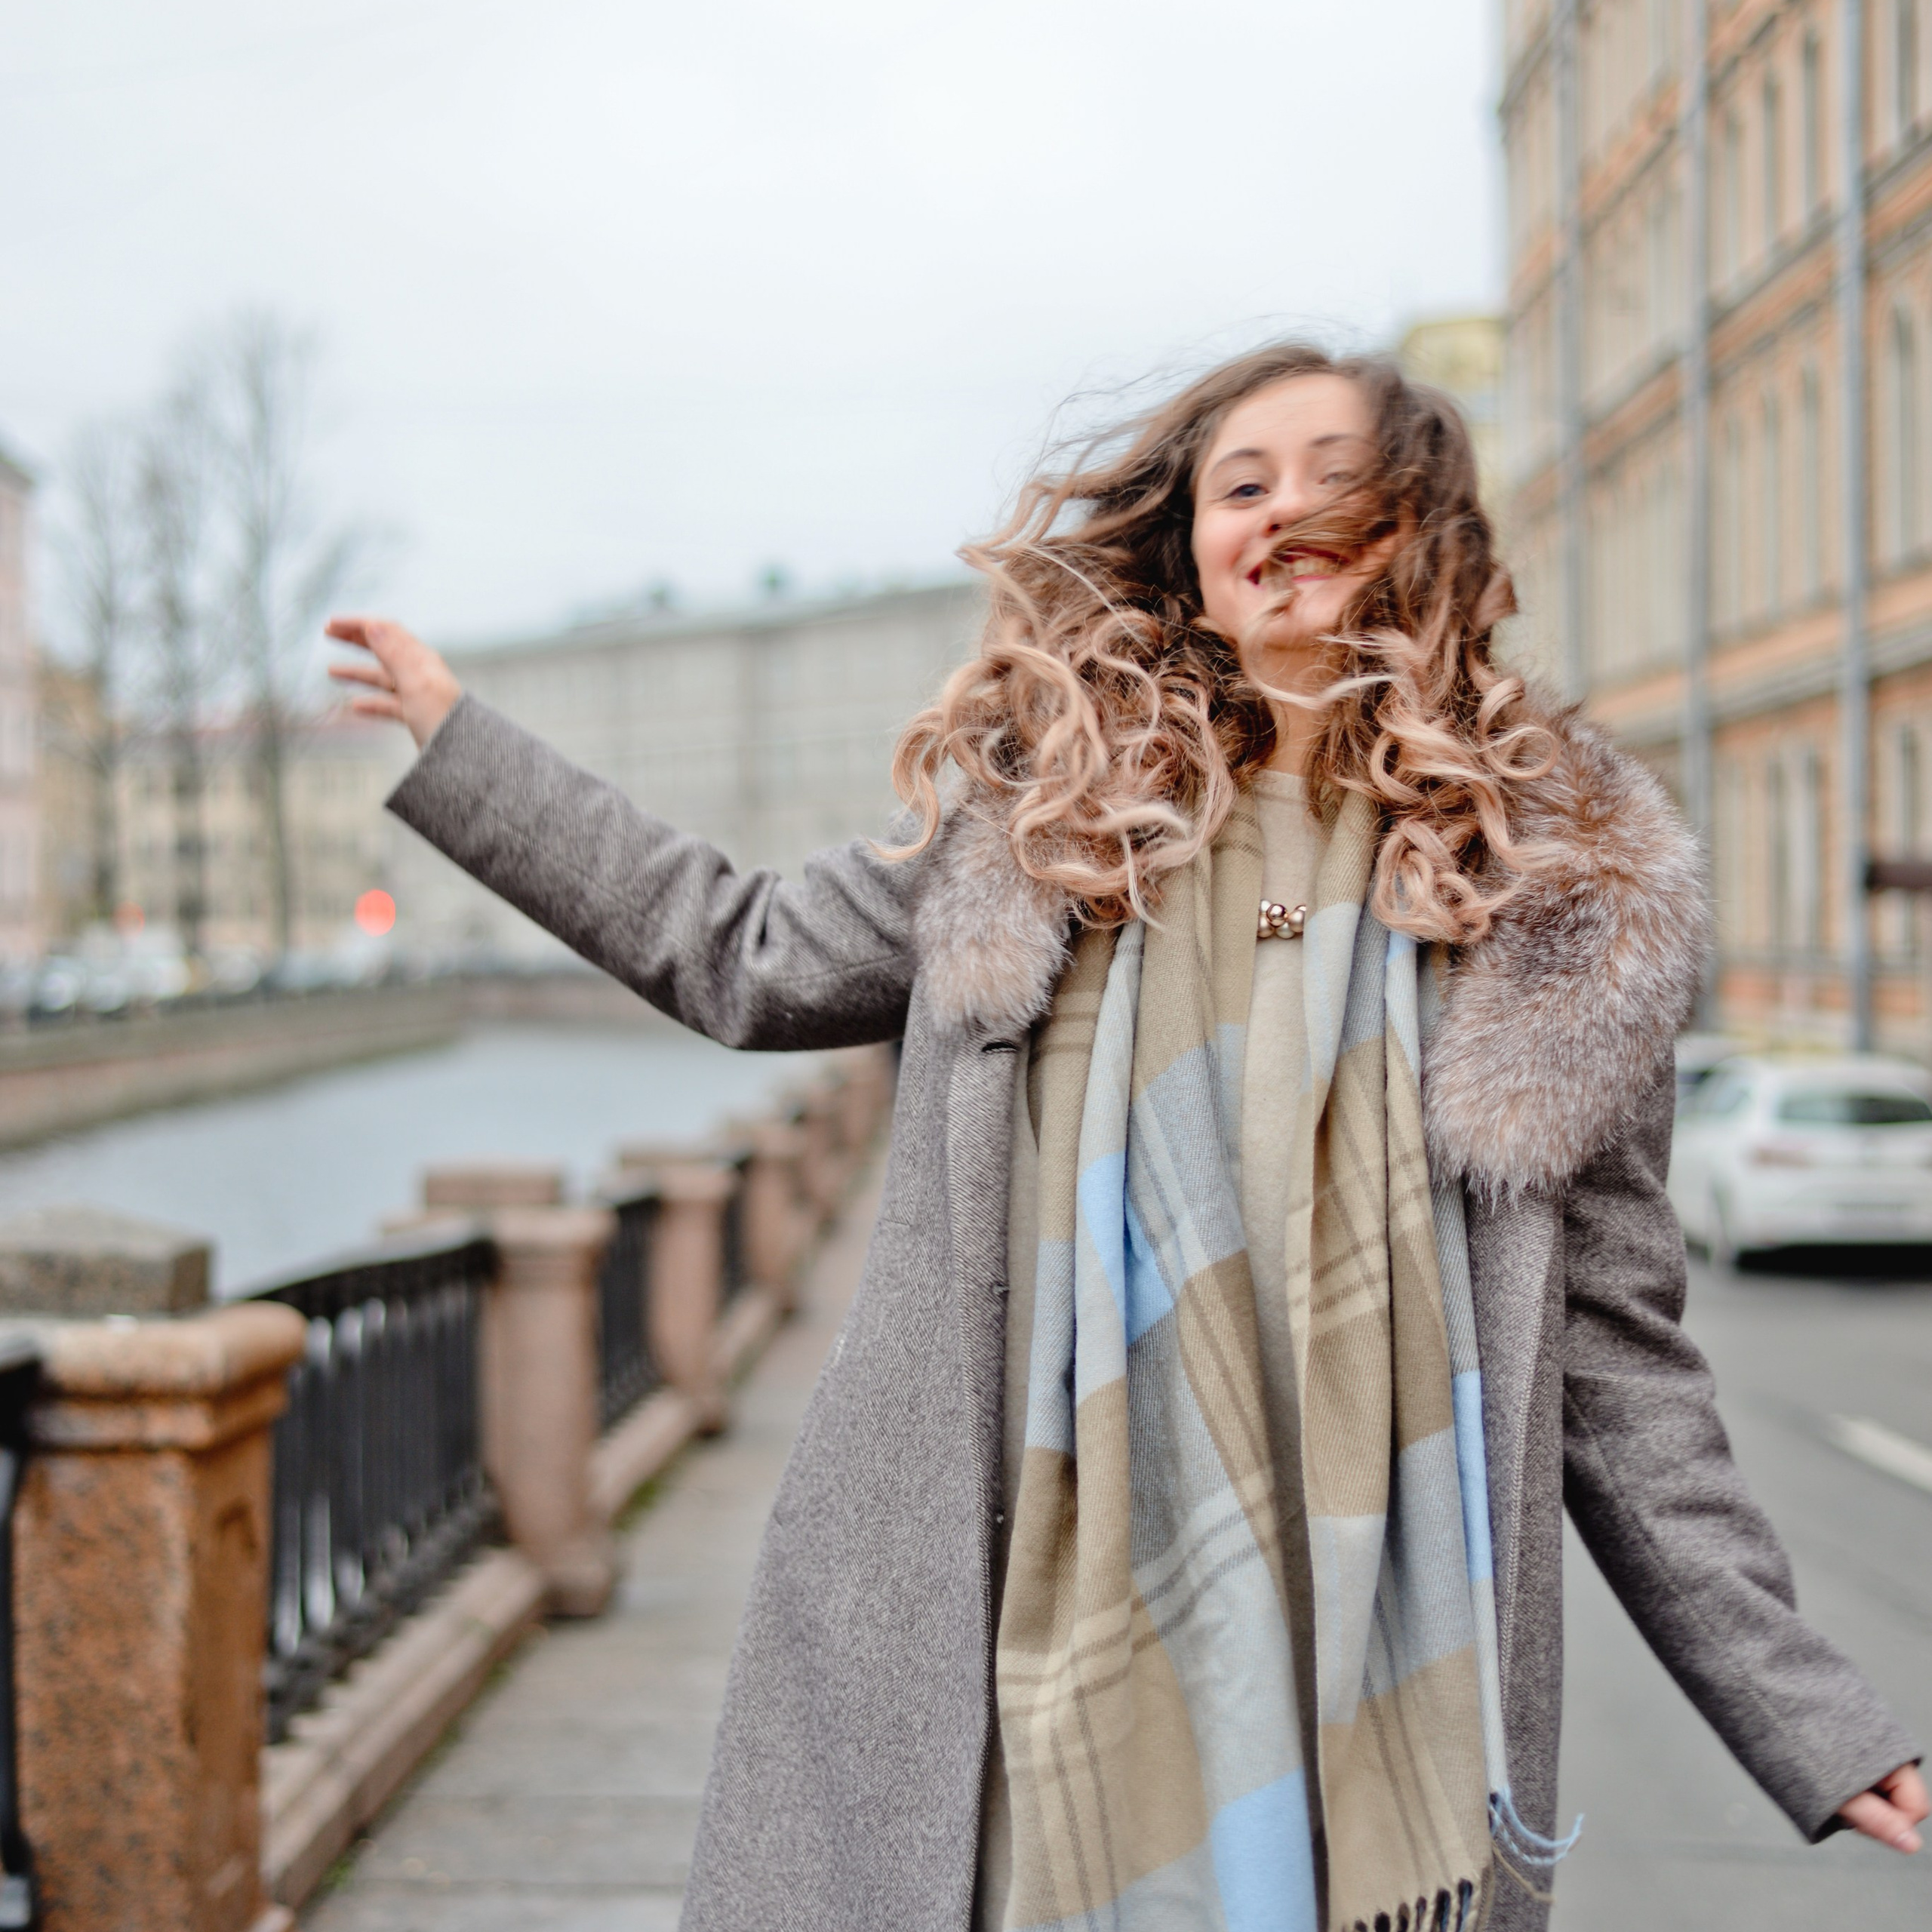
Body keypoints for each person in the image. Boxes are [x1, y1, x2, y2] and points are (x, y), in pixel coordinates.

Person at [328, 341, 1924, 1932]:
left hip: (1362, 1679)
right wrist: (465, 744)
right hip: (1026, 1648)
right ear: (1191, 553)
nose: (1284, 509)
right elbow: (734, 948)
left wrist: (1802, 1712)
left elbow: (1622, 1370)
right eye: (1243, 483)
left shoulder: (1550, 911)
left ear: (1414, 537)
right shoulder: (1042, 832)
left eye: (1336, 479)